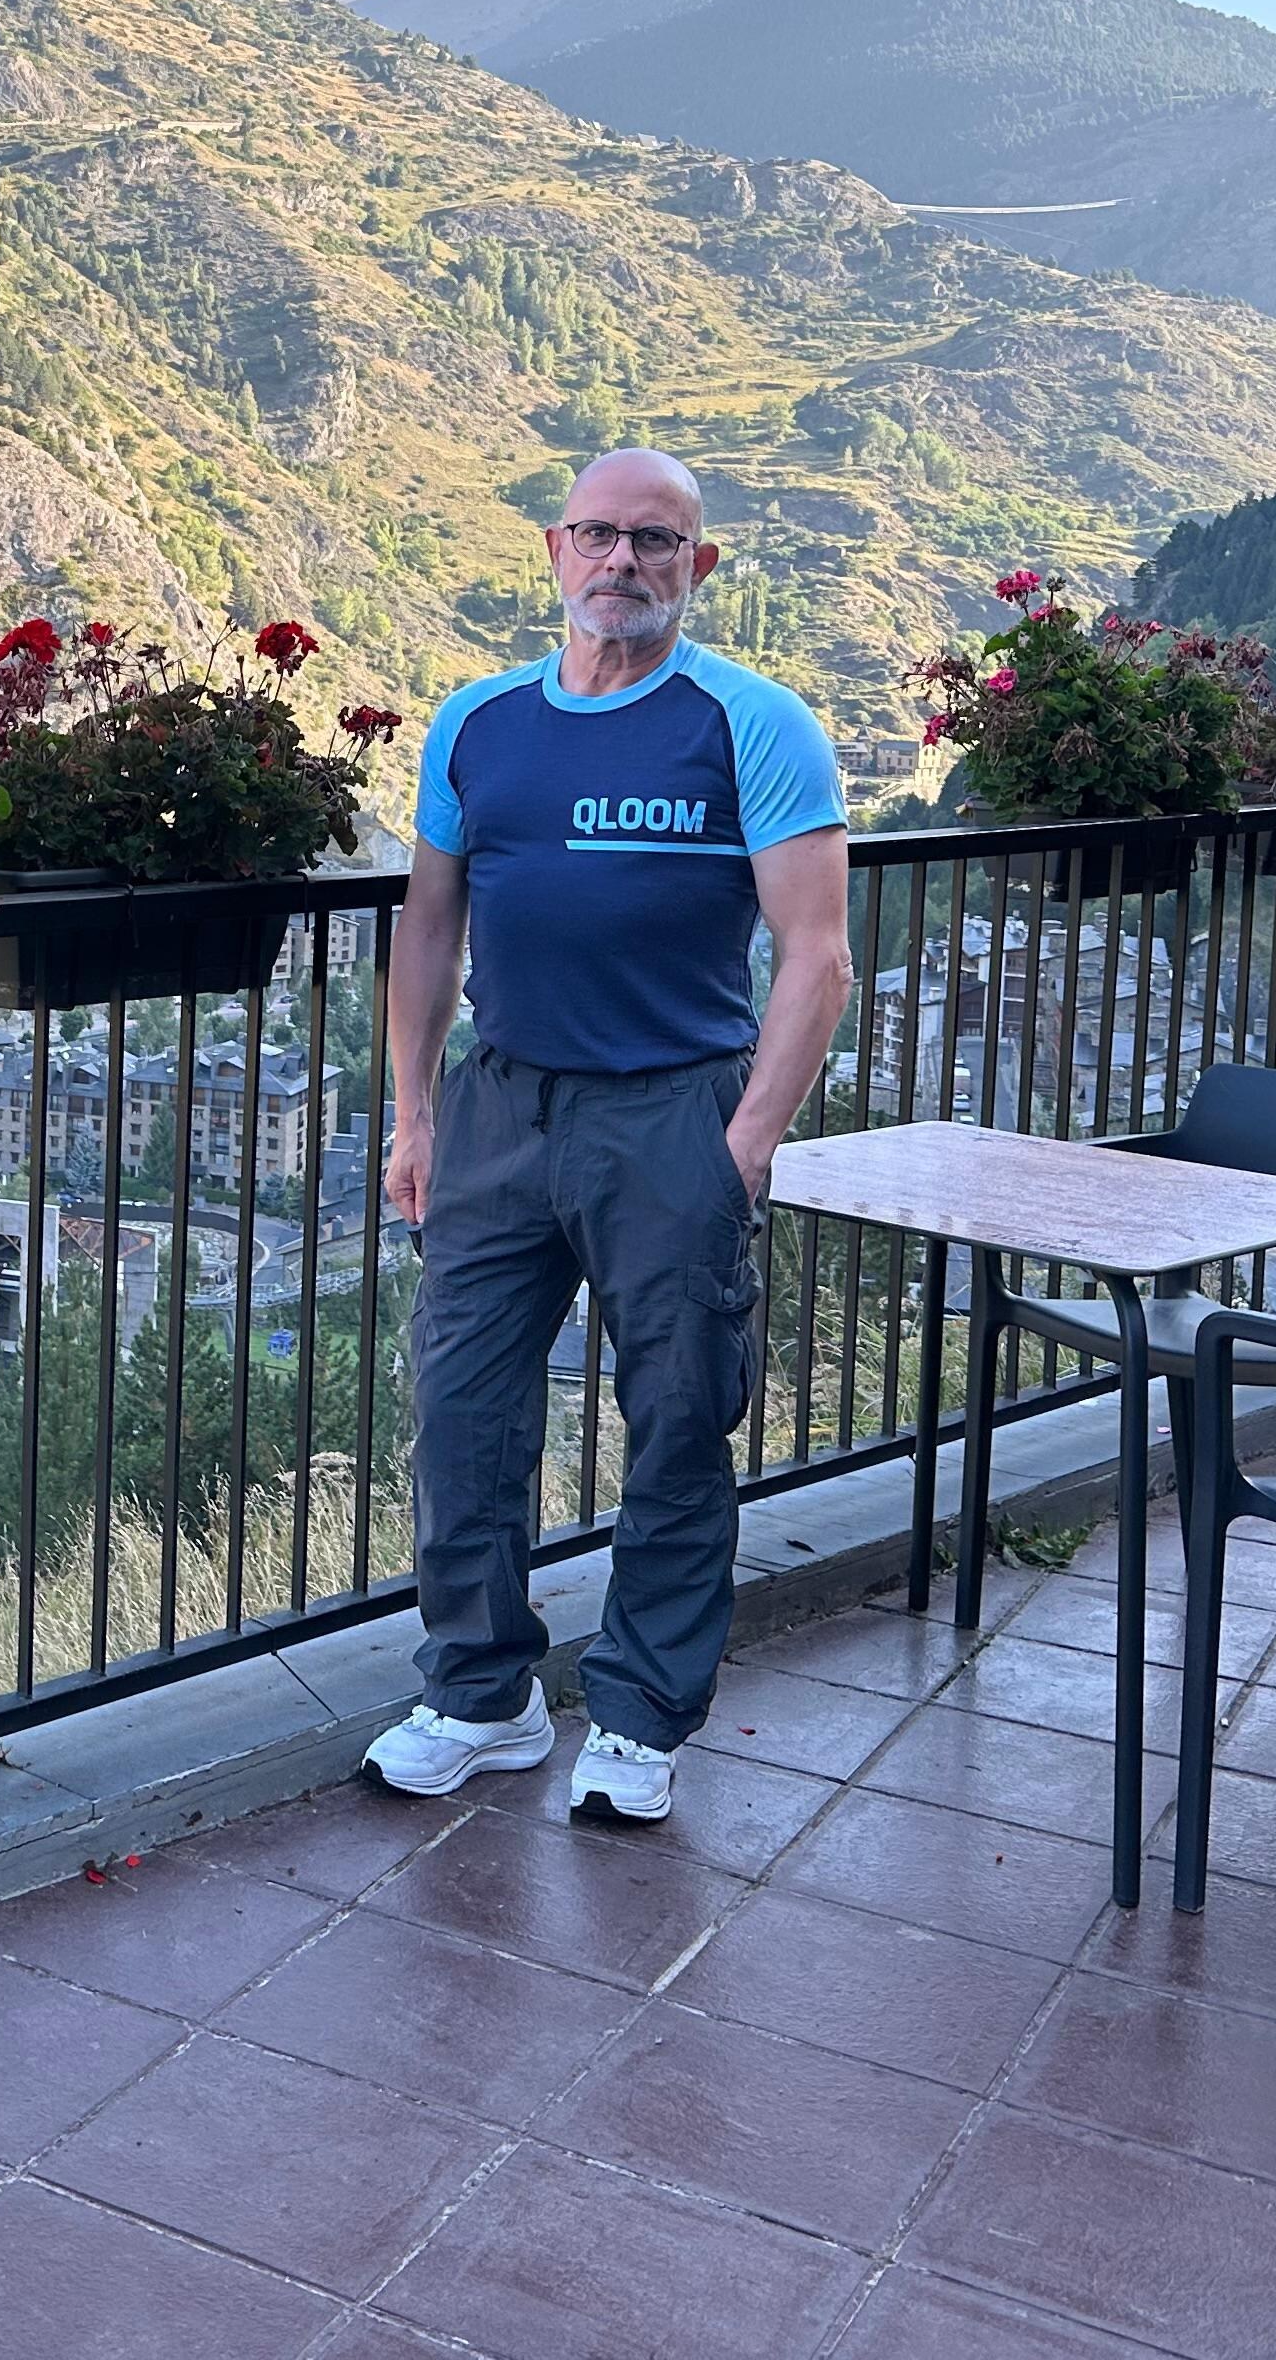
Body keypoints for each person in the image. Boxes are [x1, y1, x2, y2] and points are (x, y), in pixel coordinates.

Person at [362, 449, 853, 1821]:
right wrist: (412, 1115)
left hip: (671, 1111)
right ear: (553, 550)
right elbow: (430, 927)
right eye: (598, 535)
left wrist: (746, 1142)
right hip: (500, 1106)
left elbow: (817, 959)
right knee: (459, 1415)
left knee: (681, 1419)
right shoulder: (476, 724)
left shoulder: (751, 725)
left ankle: (638, 1717)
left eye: (655, 541)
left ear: (700, 568)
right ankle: (481, 1695)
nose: (621, 562)